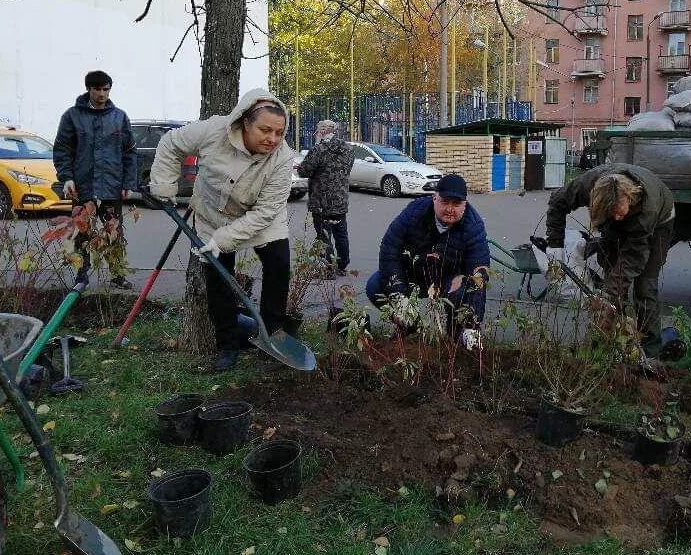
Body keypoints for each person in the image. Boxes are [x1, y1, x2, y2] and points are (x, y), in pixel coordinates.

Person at [149, 89, 296, 372]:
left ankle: (273, 335)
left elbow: (265, 212)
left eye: (279, 132)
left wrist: (226, 238)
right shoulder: (213, 130)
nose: (272, 139)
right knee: (219, 280)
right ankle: (228, 343)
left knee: (278, 267)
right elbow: (170, 144)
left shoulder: (282, 158)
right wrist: (164, 187)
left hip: (261, 219)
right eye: (265, 130)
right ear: (244, 123)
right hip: (211, 216)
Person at [544, 163, 676, 343]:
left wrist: (608, 296)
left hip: (660, 223)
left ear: (629, 197)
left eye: (620, 214)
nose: (618, 218)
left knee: (644, 284)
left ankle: (650, 345)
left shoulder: (647, 210)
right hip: (618, 214)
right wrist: (555, 244)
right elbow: (558, 202)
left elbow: (632, 259)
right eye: (612, 214)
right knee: (611, 273)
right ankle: (610, 340)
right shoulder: (587, 185)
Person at [366, 174, 489, 350]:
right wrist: (398, 293)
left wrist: (472, 325)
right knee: (375, 285)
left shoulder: (473, 226)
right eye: (445, 202)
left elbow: (479, 273)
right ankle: (410, 324)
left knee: (464, 289)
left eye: (456, 204)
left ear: (465, 204)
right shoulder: (414, 212)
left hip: (448, 281)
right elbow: (390, 249)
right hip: (414, 275)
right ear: (434, 198)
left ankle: (456, 338)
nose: (450, 209)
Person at [53, 70, 138, 289]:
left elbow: (129, 152)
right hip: (83, 188)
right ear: (89, 89)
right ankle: (82, 275)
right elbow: (62, 150)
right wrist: (67, 178)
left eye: (106, 89)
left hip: (111, 187)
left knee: (114, 232)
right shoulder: (72, 116)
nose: (102, 93)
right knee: (82, 233)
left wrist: (128, 183)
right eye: (98, 89)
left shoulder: (119, 117)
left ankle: (117, 274)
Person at [297, 119, 353, 275]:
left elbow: (304, 171)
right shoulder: (347, 149)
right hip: (340, 200)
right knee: (341, 233)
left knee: (323, 234)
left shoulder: (319, 149)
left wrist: (303, 167)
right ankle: (341, 265)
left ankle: (328, 268)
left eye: (317, 131)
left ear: (322, 132)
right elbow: (345, 170)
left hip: (321, 201)